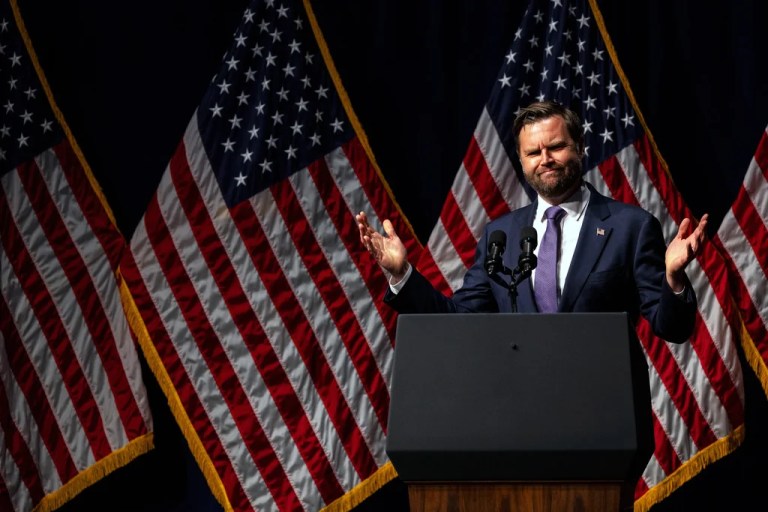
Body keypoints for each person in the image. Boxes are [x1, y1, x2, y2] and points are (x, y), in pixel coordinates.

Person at [356, 100, 708, 343]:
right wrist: (402, 275)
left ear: (580, 147)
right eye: (533, 153)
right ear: (522, 161)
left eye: (555, 147)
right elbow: (458, 321)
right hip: (521, 412)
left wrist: (673, 278)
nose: (545, 159)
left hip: (605, 409)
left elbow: (672, 328)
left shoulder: (629, 226)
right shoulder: (501, 236)